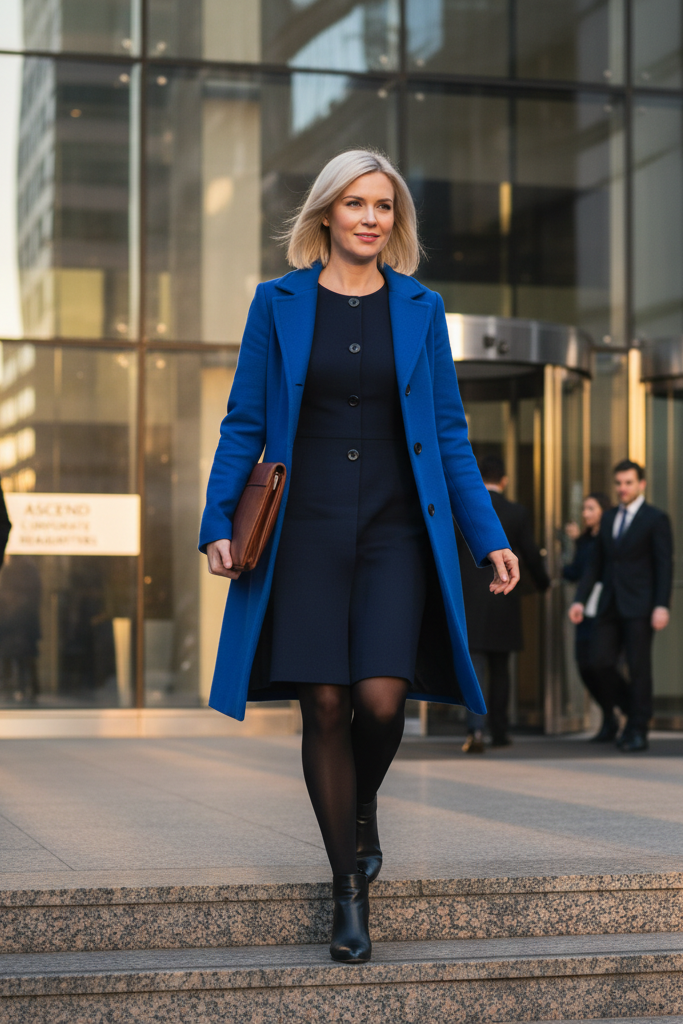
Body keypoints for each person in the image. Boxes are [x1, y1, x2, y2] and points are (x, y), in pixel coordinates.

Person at [199, 149, 519, 964]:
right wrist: (217, 522)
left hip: (393, 529)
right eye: (355, 204)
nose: (370, 218)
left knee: (381, 702)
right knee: (327, 707)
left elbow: (448, 434)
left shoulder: (419, 306)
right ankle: (348, 891)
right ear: (325, 216)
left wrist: (488, 535)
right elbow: (243, 421)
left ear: (394, 220)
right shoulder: (277, 304)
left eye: (383, 206)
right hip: (301, 529)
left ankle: (360, 808)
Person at [569, 460, 673, 752]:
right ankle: (635, 711)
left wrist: (661, 605)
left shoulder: (655, 519)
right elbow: (595, 566)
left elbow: (664, 566)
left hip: (640, 605)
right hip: (609, 604)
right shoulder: (611, 517)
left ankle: (638, 730)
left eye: (628, 483)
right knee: (599, 660)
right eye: (618, 483)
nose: (622, 488)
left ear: (641, 484)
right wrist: (579, 600)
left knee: (639, 668)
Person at [457, 455, 549, 751]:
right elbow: (530, 553)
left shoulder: (461, 508)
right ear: (504, 480)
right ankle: (499, 731)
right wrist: (543, 583)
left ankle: (475, 731)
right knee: (500, 670)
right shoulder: (516, 511)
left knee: (475, 667)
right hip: (503, 599)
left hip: (468, 600)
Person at [563, 492, 613, 740]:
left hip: (603, 610)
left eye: (591, 509)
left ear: (603, 511)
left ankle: (613, 717)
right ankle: (609, 715)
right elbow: (573, 573)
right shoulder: (584, 541)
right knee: (584, 666)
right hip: (583, 610)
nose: (585, 514)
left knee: (599, 664)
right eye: (584, 509)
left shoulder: (608, 540)